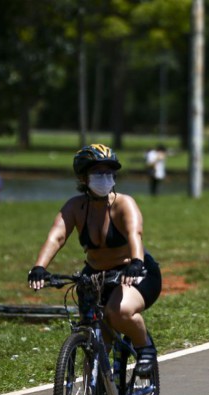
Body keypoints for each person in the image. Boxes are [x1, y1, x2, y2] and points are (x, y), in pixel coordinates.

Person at [27, 144, 162, 377]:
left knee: (118, 312)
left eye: (109, 173)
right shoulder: (75, 206)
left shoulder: (123, 203)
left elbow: (134, 234)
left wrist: (136, 262)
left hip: (135, 272)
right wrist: (40, 267)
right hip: (96, 275)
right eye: (98, 173)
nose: (105, 178)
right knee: (94, 340)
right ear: (83, 177)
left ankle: (145, 348)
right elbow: (57, 236)